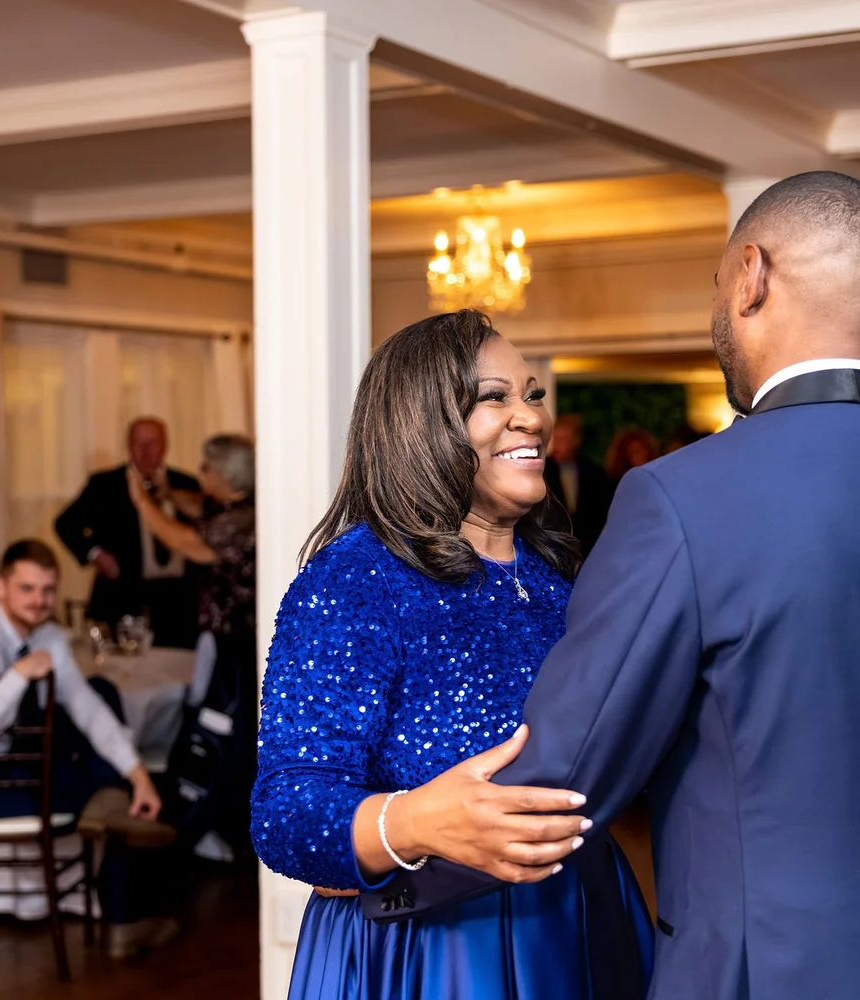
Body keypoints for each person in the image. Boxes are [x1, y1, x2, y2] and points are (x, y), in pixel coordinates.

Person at [366, 172, 860, 998]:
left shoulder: (681, 498)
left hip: (762, 970)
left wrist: (390, 878)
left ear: (751, 275)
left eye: (717, 282)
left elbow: (566, 777)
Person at [251, 311, 652, 1000]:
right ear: (421, 423)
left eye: (531, 393)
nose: (530, 416)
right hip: (425, 950)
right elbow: (285, 812)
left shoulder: (556, 579)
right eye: (494, 397)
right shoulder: (358, 580)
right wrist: (413, 821)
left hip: (576, 918)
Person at [0, 540, 178, 957]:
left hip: (6, 761)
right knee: (102, 784)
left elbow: (88, 709)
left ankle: (117, 806)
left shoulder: (46, 635)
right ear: (1, 588)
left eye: (48, 590)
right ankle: (122, 913)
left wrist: (138, 775)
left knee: (98, 702)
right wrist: (17, 675)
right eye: (27, 589)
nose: (39, 600)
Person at [128, 433, 257, 854]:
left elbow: (188, 542)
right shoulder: (234, 507)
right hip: (225, 643)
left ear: (223, 474)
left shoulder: (238, 521)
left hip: (236, 649)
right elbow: (195, 507)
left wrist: (143, 502)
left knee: (221, 732)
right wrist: (167, 494)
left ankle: (221, 827)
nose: (200, 473)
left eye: (205, 467)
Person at [55, 417, 200, 648]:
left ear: (165, 445)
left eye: (152, 443)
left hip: (179, 602)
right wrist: (95, 553)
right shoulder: (105, 484)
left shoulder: (187, 484)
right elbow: (65, 524)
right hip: (122, 597)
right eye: (137, 444)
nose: (144, 452)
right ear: (128, 446)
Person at [542, 414, 611, 553]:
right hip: (551, 545)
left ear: (576, 441)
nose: (558, 444)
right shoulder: (542, 470)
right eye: (557, 438)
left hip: (587, 547)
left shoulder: (592, 472)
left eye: (564, 439)